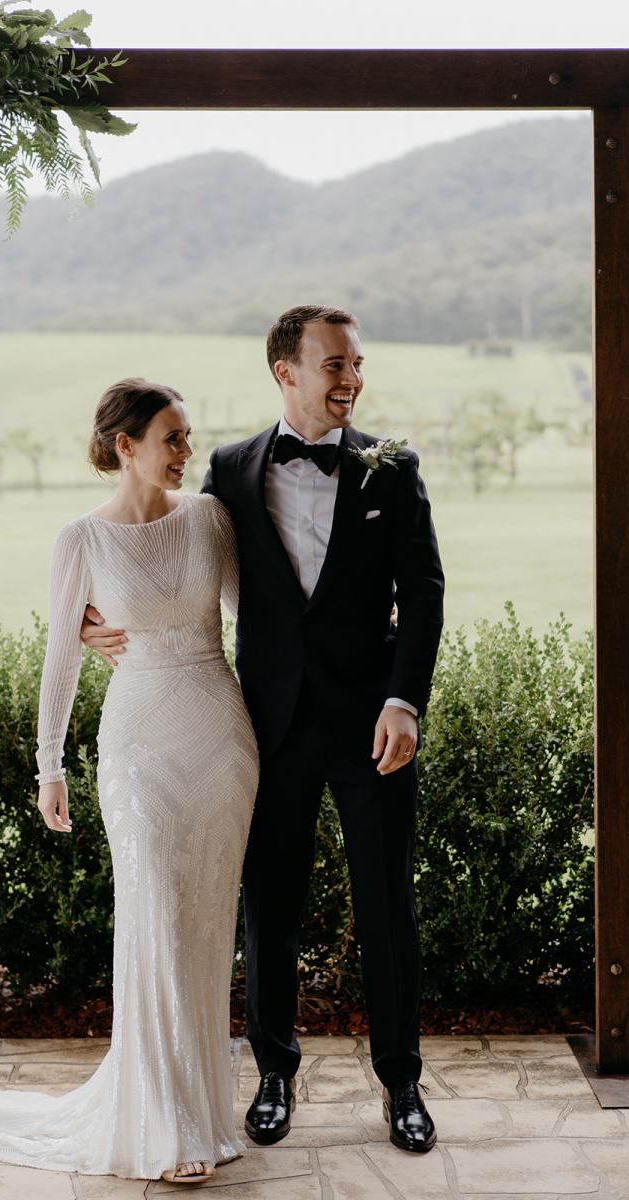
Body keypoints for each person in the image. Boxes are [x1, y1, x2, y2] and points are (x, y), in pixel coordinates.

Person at [82, 305, 445, 1156]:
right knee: (268, 906)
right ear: (286, 371)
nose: (351, 378)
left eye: (357, 363)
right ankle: (275, 1074)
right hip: (264, 727)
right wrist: (102, 617)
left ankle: (402, 1085)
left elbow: (424, 593)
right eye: (334, 364)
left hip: (371, 726)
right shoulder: (232, 469)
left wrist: (404, 700)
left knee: (386, 904)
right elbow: (166, 548)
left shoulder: (393, 467)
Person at [0, 378, 259, 1185]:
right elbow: (61, 658)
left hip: (220, 737)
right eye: (171, 437)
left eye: (187, 434)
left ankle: (200, 1109)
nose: (185, 450)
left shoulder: (209, 518)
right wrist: (49, 763)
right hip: (137, 746)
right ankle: (163, 1125)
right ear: (124, 446)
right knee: (153, 918)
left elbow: (254, 616)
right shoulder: (81, 540)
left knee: (204, 926)